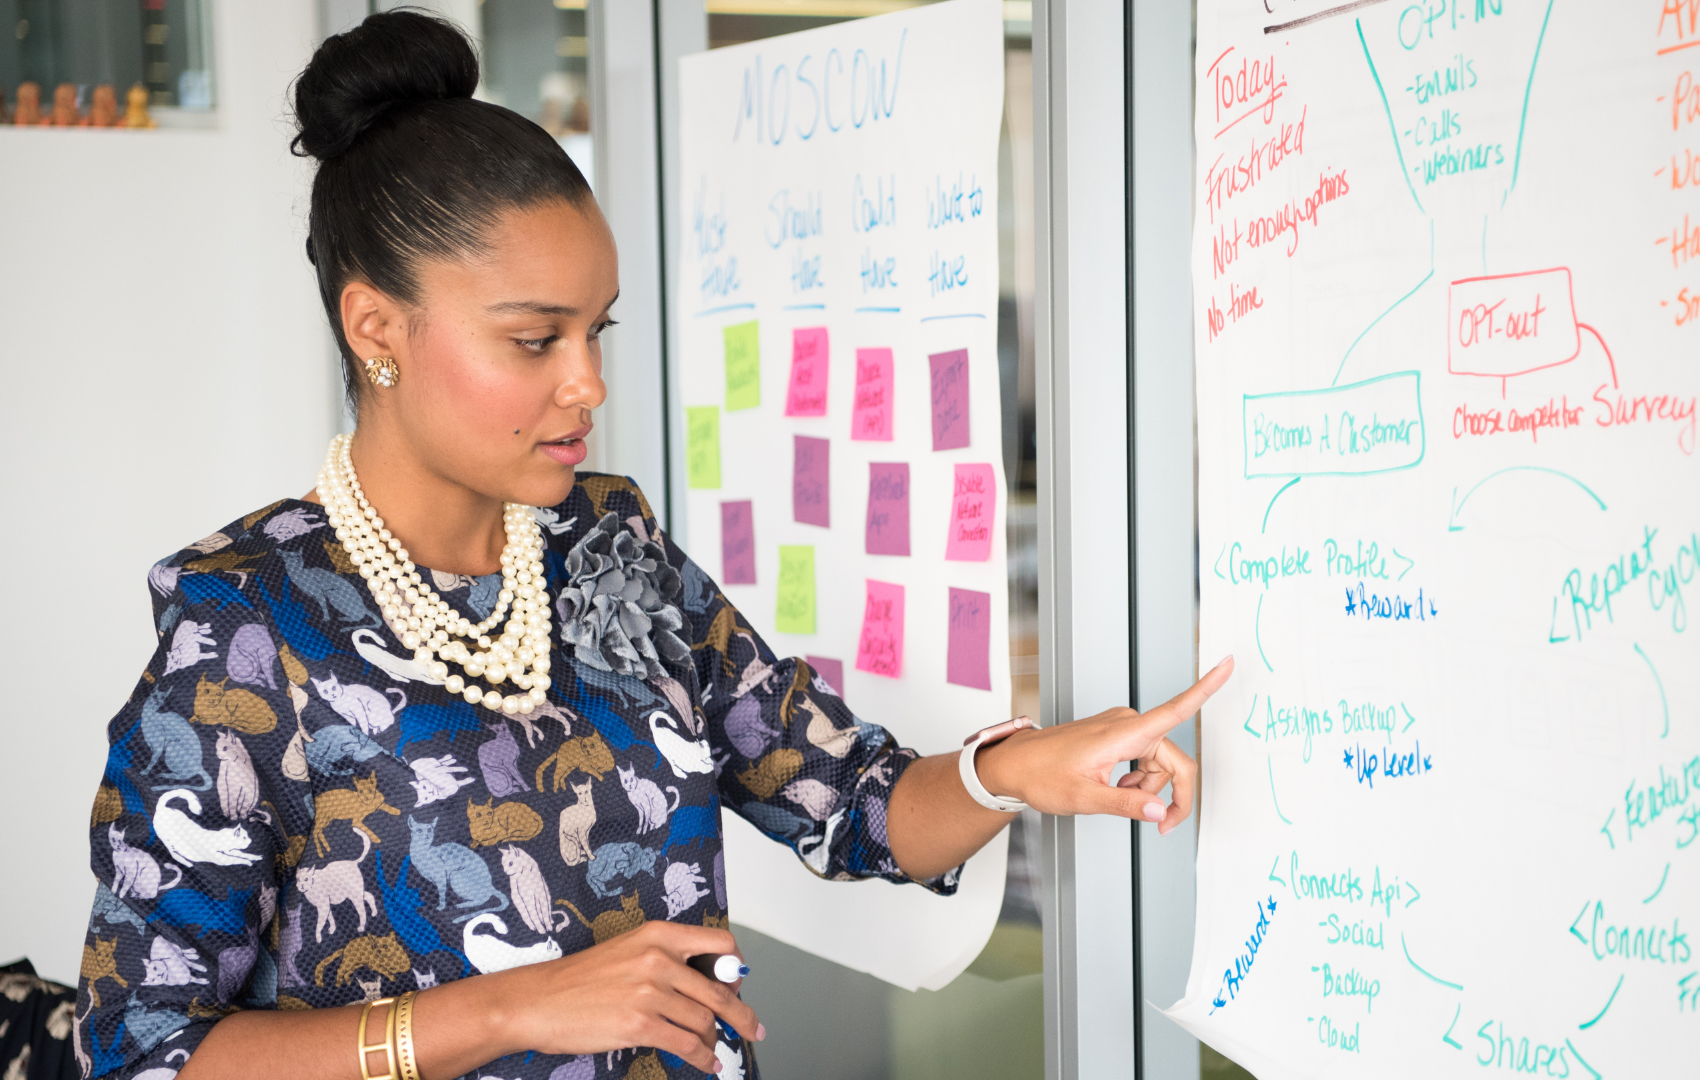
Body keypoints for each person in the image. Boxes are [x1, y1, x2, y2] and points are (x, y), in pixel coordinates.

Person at [74, 12, 1230, 1080]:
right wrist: (515, 1007)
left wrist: (1013, 771)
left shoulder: (606, 544)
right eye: (535, 340)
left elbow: (847, 800)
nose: (587, 384)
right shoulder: (245, 623)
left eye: (596, 331)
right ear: (376, 326)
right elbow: (147, 1050)